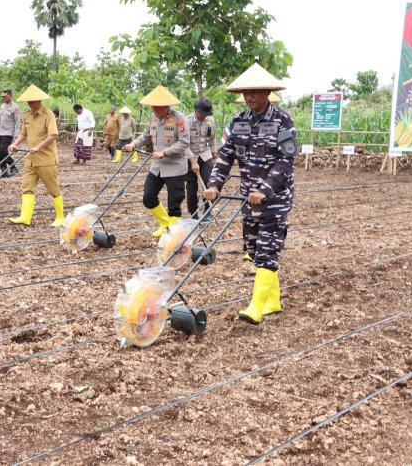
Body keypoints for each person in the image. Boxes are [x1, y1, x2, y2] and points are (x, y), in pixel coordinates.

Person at [204, 63, 296, 325]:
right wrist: (215, 185)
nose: (250, 97)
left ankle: (256, 307)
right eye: (246, 93)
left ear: (267, 92)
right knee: (255, 250)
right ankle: (273, 301)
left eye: (255, 92)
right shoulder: (238, 122)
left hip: (275, 200)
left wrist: (265, 190)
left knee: (268, 250)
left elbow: (285, 161)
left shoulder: (282, 120)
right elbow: (225, 157)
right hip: (249, 199)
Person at [123, 85, 194, 238]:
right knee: (148, 197)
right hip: (157, 167)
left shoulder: (179, 119)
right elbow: (146, 135)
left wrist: (165, 152)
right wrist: (134, 144)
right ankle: (164, 224)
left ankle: (173, 235)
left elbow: (184, 142)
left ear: (167, 107)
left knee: (174, 203)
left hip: (174, 167)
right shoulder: (153, 118)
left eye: (158, 108)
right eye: (153, 107)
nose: (155, 110)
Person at [7, 84, 64, 227]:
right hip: (30, 160)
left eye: (32, 101)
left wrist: (38, 146)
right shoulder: (27, 115)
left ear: (39, 101)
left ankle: (60, 217)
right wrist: (15, 144)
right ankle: (25, 217)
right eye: (28, 102)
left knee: (53, 189)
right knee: (26, 187)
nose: (30, 104)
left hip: (46, 159)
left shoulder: (48, 115)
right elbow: (23, 133)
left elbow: (53, 135)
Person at [184, 97, 217, 220]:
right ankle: (193, 213)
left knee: (210, 183)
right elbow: (184, 144)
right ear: (196, 110)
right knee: (191, 186)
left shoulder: (210, 120)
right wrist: (192, 161)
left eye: (206, 114)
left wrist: (214, 156)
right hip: (190, 156)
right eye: (201, 114)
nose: (204, 116)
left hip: (205, 155)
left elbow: (212, 139)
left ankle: (207, 211)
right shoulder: (187, 121)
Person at [0, 88, 21, 177]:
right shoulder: (2, 106)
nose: (3, 98)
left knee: (3, 151)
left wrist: (15, 136)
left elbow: (17, 123)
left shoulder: (15, 107)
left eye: (5, 96)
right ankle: (4, 171)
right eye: (2, 97)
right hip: (0, 132)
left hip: (9, 133)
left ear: (10, 95)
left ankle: (13, 167)